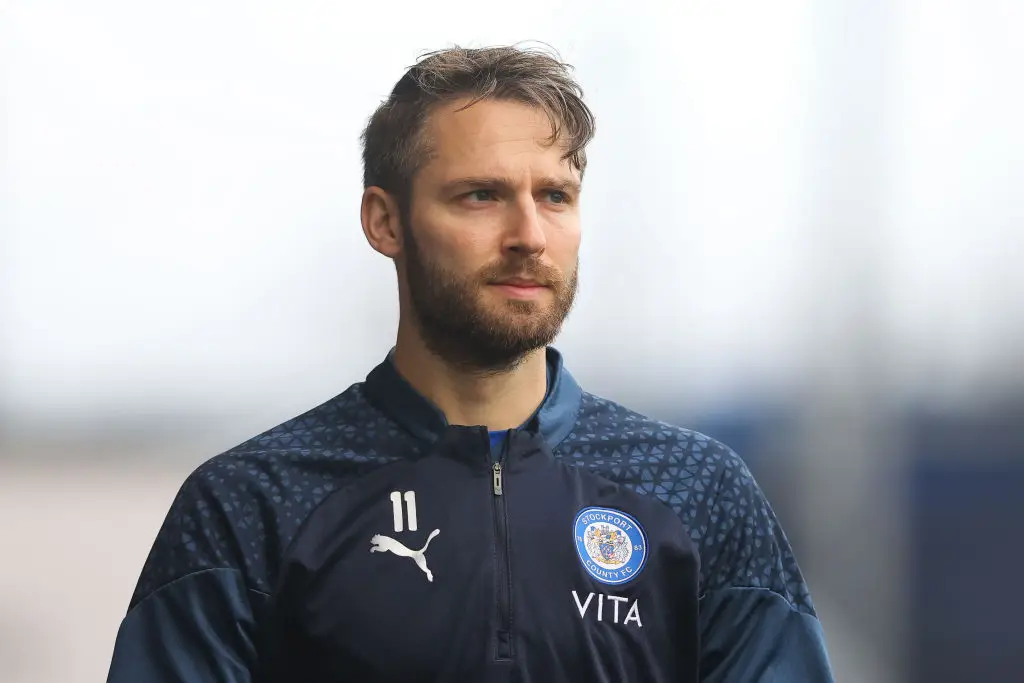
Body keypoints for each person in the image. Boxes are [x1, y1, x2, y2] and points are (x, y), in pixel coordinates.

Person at [106, 45, 834, 682]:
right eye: (481, 195)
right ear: (385, 222)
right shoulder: (251, 504)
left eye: (555, 196)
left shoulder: (697, 493)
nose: (528, 234)